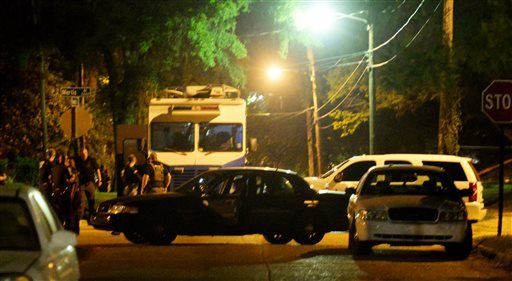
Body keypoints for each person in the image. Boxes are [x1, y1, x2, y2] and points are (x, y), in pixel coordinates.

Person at [75, 147, 102, 223]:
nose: (84, 155)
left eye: (85, 153)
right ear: (80, 154)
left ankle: (90, 218)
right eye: (82, 153)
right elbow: (75, 171)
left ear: (87, 153)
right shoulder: (78, 161)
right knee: (81, 200)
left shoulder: (91, 160)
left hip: (90, 183)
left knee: (91, 200)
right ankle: (80, 218)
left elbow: (97, 170)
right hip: (81, 184)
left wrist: (100, 180)